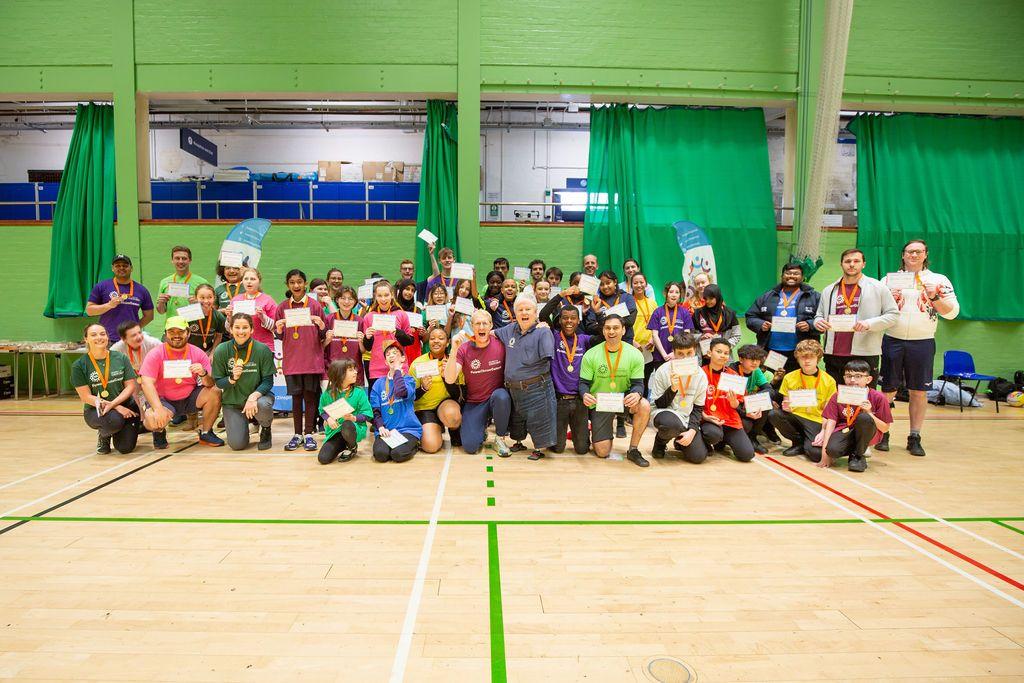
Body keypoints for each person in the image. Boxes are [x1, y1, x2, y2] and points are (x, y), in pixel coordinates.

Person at [878, 239, 959, 456]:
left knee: (919, 391)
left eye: (918, 252)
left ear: (925, 255)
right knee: (887, 391)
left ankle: (914, 436)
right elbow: (876, 312)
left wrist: (934, 297)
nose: (913, 255)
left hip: (922, 341)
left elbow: (952, 313)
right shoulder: (888, 279)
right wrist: (889, 299)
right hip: (892, 339)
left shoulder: (938, 280)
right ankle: (882, 433)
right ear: (903, 255)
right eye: (909, 252)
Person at [813, 248, 899, 387]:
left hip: (865, 352)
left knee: (862, 399)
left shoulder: (878, 287)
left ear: (863, 264)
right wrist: (818, 322)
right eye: (847, 261)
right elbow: (819, 315)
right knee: (835, 398)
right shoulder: (829, 290)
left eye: (856, 261)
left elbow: (893, 315)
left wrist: (869, 324)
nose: (852, 264)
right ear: (841, 264)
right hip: (833, 353)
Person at [139, 316, 224, 448]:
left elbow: (210, 383)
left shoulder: (198, 353)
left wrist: (203, 373)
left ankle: (206, 432)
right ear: (165, 334)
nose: (176, 335)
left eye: (180, 332)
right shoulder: (155, 354)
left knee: (215, 392)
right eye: (171, 332)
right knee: (152, 419)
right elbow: (146, 383)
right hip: (164, 399)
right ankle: (159, 431)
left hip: (189, 397)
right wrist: (158, 408)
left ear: (188, 333)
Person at [579, 314, 651, 467]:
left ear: (623, 330)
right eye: (608, 328)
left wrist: (637, 394)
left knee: (644, 405)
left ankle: (633, 450)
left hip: (623, 399)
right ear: (603, 331)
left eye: (616, 328)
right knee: (602, 452)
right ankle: (601, 433)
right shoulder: (591, 354)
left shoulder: (635, 354)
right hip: (600, 402)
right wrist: (584, 394)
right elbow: (583, 383)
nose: (611, 331)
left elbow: (638, 383)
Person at [496, 297, 557, 460]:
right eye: (520, 310)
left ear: (535, 313)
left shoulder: (543, 331)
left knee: (540, 419)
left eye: (528, 309)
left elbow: (548, 359)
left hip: (537, 387)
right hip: (514, 388)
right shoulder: (509, 329)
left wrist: (545, 326)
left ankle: (539, 449)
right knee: (518, 420)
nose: (524, 312)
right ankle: (518, 442)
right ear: (514, 313)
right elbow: (490, 334)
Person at [445, 310, 513, 456]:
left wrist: (539, 325)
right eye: (477, 323)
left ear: (491, 326)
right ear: (472, 326)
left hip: (496, 398)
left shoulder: (501, 344)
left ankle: (500, 438)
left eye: (485, 323)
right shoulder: (463, 348)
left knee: (502, 396)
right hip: (475, 402)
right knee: (470, 447)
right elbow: (450, 379)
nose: (481, 327)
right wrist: (454, 349)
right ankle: (480, 430)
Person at [274, 269, 327, 452]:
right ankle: (297, 434)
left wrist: (321, 326)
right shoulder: (282, 307)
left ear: (305, 283)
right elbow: (279, 337)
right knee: (296, 399)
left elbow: (322, 335)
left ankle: (309, 433)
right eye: (292, 282)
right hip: (293, 361)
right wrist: (279, 330)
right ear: (288, 285)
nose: (296, 285)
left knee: (310, 398)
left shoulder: (315, 306)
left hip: (311, 360)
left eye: (299, 282)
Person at [71, 323, 139, 454]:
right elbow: (85, 397)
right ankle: (104, 435)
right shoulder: (79, 365)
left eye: (103, 334)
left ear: (108, 337)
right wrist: (117, 407)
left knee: (125, 448)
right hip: (96, 409)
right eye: (93, 335)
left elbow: (130, 386)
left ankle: (120, 432)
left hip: (126, 405)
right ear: (86, 339)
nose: (99, 337)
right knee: (114, 420)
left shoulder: (120, 358)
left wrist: (115, 404)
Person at [212, 313, 276, 451]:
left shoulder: (262, 349)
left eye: (245, 327)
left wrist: (253, 397)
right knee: (237, 445)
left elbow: (268, 381)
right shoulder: (221, 350)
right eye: (237, 327)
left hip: (257, 399)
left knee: (263, 404)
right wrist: (232, 378)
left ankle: (265, 428)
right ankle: (245, 425)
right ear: (230, 329)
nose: (241, 331)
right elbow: (218, 382)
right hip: (233, 402)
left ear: (252, 330)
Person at [818, 359, 893, 473]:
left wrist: (869, 413)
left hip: (869, 433)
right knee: (832, 450)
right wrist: (825, 453)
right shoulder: (838, 395)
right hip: (845, 431)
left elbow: (885, 428)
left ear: (868, 379)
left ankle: (858, 456)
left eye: (858, 376)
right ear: (844, 378)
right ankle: (857, 448)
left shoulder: (878, 397)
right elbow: (831, 422)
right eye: (848, 376)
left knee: (864, 418)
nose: (852, 380)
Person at [745, 263, 821, 372]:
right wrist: (760, 324)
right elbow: (751, 316)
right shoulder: (767, 296)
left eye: (796, 274)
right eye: (788, 273)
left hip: (801, 353)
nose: (791, 276)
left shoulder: (814, 296)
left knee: (798, 385)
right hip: (772, 351)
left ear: (803, 277)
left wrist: (809, 325)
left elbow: (823, 319)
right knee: (773, 382)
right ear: (782, 276)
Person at [769, 339, 837, 460]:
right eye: (802, 357)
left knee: (816, 455)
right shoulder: (789, 377)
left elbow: (829, 412)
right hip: (796, 416)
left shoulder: (829, 380)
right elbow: (786, 403)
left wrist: (823, 431)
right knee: (774, 414)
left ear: (818, 358)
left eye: (811, 357)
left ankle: (807, 442)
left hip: (817, 420)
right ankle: (798, 442)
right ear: (797, 359)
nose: (806, 361)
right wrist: (787, 407)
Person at [648, 334, 709, 463]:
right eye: (680, 354)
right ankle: (660, 441)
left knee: (698, 457)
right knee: (671, 424)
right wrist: (673, 389)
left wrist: (692, 431)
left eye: (689, 353)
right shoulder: (663, 371)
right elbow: (659, 404)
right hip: (664, 413)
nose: (685, 357)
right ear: (673, 353)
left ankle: (679, 440)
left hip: (686, 418)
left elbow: (698, 408)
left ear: (695, 351)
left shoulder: (701, 376)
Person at [546, 305, 595, 455]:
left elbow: (601, 335)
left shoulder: (584, 340)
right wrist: (562, 294)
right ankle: (560, 433)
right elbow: (543, 315)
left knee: (582, 450)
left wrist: (597, 312)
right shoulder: (553, 337)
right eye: (565, 318)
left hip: (580, 400)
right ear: (559, 320)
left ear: (578, 321)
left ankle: (577, 433)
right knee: (558, 448)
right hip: (559, 400)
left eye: (573, 318)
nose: (569, 321)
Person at [700, 338, 755, 462]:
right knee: (712, 434)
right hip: (709, 420)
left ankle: (722, 442)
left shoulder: (734, 376)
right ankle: (708, 441)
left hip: (730, 421)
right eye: (719, 351)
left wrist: (734, 403)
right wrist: (705, 417)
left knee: (747, 455)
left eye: (726, 353)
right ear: (709, 353)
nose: (723, 355)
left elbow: (739, 404)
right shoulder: (700, 373)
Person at [410, 327, 464, 453]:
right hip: (425, 408)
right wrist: (423, 388)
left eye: (441, 338)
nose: (436, 341)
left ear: (448, 342)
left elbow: (459, 395)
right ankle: (436, 427)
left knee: (453, 417)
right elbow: (411, 396)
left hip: (445, 405)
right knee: (431, 446)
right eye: (432, 338)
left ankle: (454, 430)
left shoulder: (453, 361)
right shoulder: (417, 363)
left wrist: (447, 378)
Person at [369, 342, 422, 463]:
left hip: (408, 429)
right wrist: (381, 427)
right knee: (381, 455)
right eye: (388, 354)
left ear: (403, 358)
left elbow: (401, 392)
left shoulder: (409, 379)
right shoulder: (378, 384)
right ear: (385, 362)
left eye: (395, 353)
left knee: (397, 454)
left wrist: (397, 369)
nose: (391, 356)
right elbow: (375, 410)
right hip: (387, 430)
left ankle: (415, 445)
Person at [85, 254, 154, 341]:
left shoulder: (141, 290)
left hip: (131, 339)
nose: (121, 268)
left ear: (131, 268)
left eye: (125, 265)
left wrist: (134, 329)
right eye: (117, 266)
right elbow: (89, 311)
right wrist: (109, 305)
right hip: (107, 339)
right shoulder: (102, 286)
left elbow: (149, 316)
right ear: (112, 268)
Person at [317, 359, 374, 464]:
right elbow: (322, 410)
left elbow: (368, 414)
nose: (356, 372)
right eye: (351, 370)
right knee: (323, 458)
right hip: (335, 431)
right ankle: (343, 444)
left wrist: (354, 418)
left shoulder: (359, 392)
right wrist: (328, 418)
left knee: (347, 425)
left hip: (353, 428)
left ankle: (352, 446)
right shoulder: (328, 394)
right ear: (340, 374)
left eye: (355, 369)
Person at [362, 280, 414, 384]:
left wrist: (398, 333)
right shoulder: (369, 317)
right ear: (375, 297)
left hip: (399, 367)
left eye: (386, 295)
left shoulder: (401, 314)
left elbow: (410, 341)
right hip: (377, 369)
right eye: (380, 296)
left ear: (392, 295)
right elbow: (367, 347)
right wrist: (367, 338)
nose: (383, 299)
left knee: (400, 398)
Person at [729, 344, 775, 455]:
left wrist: (753, 400)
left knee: (765, 401)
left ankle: (753, 438)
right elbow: (730, 400)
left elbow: (769, 389)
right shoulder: (731, 370)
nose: (755, 363)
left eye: (758, 360)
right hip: (733, 407)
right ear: (741, 359)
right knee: (746, 425)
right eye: (751, 359)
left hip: (746, 405)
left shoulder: (756, 371)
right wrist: (745, 409)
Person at [323, 286, 366, 387]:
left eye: (350, 299)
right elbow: (320, 347)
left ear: (355, 301)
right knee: (334, 402)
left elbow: (363, 351)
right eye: (343, 298)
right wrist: (327, 341)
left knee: (353, 403)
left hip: (354, 372)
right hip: (333, 371)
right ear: (337, 300)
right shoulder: (328, 319)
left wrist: (360, 342)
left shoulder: (360, 321)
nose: (346, 302)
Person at [228, 267, 278, 348]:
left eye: (253, 279)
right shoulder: (235, 300)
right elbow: (229, 329)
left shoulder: (268, 300)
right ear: (242, 281)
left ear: (259, 281)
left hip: (264, 347)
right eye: (246, 279)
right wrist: (229, 316)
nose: (249, 282)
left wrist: (262, 317)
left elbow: (275, 327)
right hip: (240, 346)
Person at [647, 281, 696, 365]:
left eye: (677, 292)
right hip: (660, 356)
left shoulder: (685, 312)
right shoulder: (657, 312)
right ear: (665, 293)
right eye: (671, 292)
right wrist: (664, 355)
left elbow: (686, 335)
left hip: (680, 356)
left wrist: (675, 353)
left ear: (680, 295)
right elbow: (655, 335)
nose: (674, 294)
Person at [156, 245, 209, 317]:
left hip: (194, 326)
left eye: (184, 258)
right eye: (177, 258)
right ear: (172, 260)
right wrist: (161, 303)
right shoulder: (164, 282)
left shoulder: (202, 283)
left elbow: (209, 310)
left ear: (190, 261)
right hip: (172, 326)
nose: (180, 261)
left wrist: (198, 304)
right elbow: (161, 311)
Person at [629, 272, 658, 391]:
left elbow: (657, 325)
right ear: (631, 285)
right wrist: (632, 342)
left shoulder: (652, 303)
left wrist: (653, 339)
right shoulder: (628, 302)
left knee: (646, 379)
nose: (639, 285)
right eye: (635, 283)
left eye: (641, 282)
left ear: (646, 284)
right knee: (634, 379)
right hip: (633, 347)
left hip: (649, 348)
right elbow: (624, 325)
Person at [693, 285, 741, 351]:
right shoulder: (697, 313)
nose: (708, 301)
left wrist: (724, 347)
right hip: (704, 355)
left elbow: (737, 335)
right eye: (706, 299)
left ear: (718, 297)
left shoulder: (730, 313)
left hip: (723, 356)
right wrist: (701, 337)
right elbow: (691, 334)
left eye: (711, 298)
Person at [186, 283, 225, 354]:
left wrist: (213, 353)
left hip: (207, 351)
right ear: (195, 298)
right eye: (202, 298)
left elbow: (219, 336)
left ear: (214, 298)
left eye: (210, 297)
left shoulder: (219, 317)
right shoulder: (188, 314)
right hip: (188, 350)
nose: (206, 301)